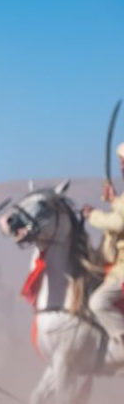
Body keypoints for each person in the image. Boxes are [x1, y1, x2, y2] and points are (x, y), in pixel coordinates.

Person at [83, 143, 124, 347]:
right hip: (115, 267)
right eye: (121, 162)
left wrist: (93, 215)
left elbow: (118, 223)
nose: (121, 167)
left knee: (98, 303)